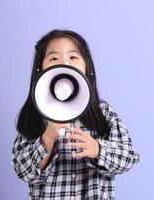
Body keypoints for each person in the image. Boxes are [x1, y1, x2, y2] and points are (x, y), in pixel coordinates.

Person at [11, 29, 140, 200]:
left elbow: (128, 158)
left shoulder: (103, 113)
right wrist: (47, 139)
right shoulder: (36, 116)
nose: (64, 63)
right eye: (54, 58)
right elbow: (23, 171)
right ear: (40, 68)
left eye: (73, 57)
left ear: (88, 68)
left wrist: (98, 149)